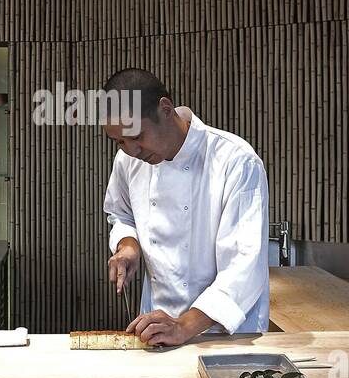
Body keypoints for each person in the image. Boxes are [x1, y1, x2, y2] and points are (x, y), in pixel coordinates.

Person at [101, 68, 270, 346]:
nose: (132, 150)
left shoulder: (235, 160)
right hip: (156, 330)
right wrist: (128, 245)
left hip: (227, 335)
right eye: (119, 141)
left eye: (137, 136)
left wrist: (184, 325)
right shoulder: (129, 160)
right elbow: (120, 213)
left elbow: (244, 264)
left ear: (165, 109)